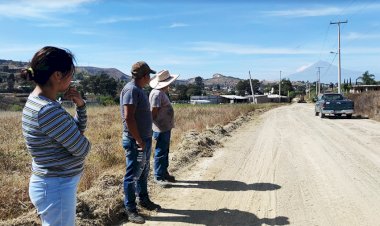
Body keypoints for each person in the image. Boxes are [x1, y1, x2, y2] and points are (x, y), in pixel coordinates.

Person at [21, 46, 91, 226]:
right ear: (57, 75)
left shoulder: (39, 101)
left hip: (52, 184)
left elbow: (75, 132)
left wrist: (81, 107)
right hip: (56, 187)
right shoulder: (47, 111)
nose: (72, 79)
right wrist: (81, 140)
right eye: (70, 74)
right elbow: (82, 148)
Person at [120, 61, 161, 224]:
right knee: (132, 175)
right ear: (144, 76)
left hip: (144, 139)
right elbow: (128, 118)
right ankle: (130, 209)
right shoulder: (131, 90)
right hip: (135, 141)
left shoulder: (139, 90)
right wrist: (138, 140)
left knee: (143, 171)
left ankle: (144, 199)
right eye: (149, 75)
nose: (150, 77)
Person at [149, 70, 179, 186]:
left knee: (165, 150)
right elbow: (153, 112)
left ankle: (164, 172)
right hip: (160, 128)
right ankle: (158, 176)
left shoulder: (160, 93)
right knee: (160, 152)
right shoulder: (157, 94)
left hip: (164, 127)